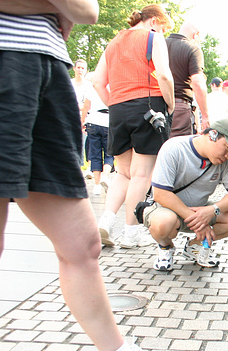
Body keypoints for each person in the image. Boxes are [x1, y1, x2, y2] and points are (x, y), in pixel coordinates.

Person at [0, 2, 179, 351]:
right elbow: (84, 8)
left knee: (82, 242)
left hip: (47, 68)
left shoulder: (116, 43)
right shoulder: (148, 39)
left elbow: (84, 12)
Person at [93, 5, 175, 248]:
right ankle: (130, 233)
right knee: (141, 174)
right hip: (148, 107)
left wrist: (114, 105)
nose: (162, 31)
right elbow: (164, 76)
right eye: (162, 26)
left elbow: (98, 82)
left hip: (117, 109)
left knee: (122, 172)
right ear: (153, 21)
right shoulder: (153, 38)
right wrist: (170, 105)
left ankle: (106, 222)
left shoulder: (113, 42)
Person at [141, 119, 228, 271]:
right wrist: (199, 221)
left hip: (200, 210)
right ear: (212, 134)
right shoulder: (174, 148)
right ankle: (165, 247)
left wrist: (213, 210)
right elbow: (160, 193)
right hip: (164, 209)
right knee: (163, 223)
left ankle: (194, 246)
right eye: (227, 148)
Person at [166, 21, 209, 135]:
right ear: (196, 34)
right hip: (179, 108)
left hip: (155, 104)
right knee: (179, 148)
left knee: (155, 150)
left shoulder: (159, 44)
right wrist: (205, 115)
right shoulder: (193, 49)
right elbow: (198, 82)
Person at [82, 71, 114, 196]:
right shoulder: (112, 86)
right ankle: (105, 176)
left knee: (94, 153)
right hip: (108, 121)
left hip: (93, 120)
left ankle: (96, 186)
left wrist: (82, 121)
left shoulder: (93, 86)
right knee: (109, 152)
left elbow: (86, 106)